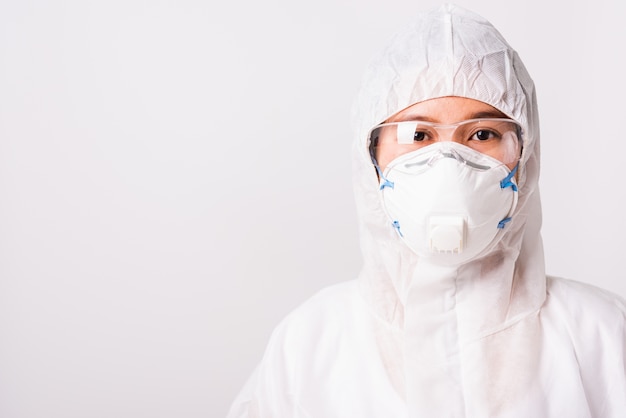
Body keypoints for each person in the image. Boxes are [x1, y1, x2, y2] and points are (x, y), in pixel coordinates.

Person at [227, 4, 626, 417]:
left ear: (526, 155)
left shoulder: (603, 335)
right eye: (418, 134)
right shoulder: (306, 346)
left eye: (483, 133)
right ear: (371, 157)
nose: (448, 162)